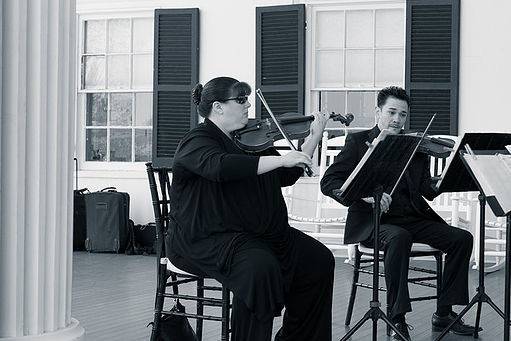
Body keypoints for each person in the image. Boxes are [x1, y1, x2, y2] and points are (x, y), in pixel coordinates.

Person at [167, 76, 335, 341]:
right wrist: (279, 161)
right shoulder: (196, 140)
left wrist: (314, 137)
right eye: (241, 100)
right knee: (258, 269)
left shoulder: (251, 139)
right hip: (208, 239)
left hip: (258, 234)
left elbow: (286, 175)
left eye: (247, 100)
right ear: (218, 107)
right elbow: (220, 166)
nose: (248, 106)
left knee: (318, 260)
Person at [320, 86, 478, 340]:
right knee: (399, 237)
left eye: (402, 114)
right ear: (378, 112)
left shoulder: (415, 145)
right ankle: (396, 318)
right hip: (374, 222)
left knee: (461, 238)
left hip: (412, 217)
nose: (397, 119)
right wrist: (364, 195)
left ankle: (444, 313)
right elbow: (329, 183)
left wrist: (438, 183)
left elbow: (425, 188)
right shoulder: (358, 142)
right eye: (391, 112)